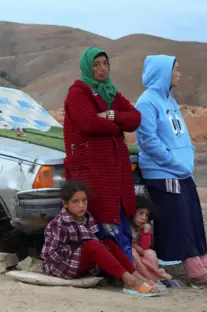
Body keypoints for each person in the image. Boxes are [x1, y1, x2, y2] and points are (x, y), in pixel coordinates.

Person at [135, 55, 207, 288]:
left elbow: (179, 135)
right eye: (176, 69)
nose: (180, 74)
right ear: (163, 72)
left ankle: (203, 269)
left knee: (193, 219)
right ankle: (197, 275)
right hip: (164, 172)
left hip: (181, 171)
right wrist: (172, 161)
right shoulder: (147, 102)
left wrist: (188, 155)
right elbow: (148, 142)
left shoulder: (170, 101)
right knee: (180, 223)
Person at [63, 47, 141, 262]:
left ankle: (126, 268)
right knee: (102, 219)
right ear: (88, 67)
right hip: (93, 170)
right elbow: (89, 123)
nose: (102, 68)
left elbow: (135, 118)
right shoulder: (78, 93)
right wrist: (118, 126)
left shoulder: (110, 92)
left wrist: (111, 115)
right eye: (96, 64)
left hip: (115, 167)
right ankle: (117, 270)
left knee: (121, 217)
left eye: (105, 63)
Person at [40, 181, 163, 296]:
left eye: (84, 200)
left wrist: (95, 247)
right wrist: (78, 249)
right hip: (61, 266)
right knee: (92, 245)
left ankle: (138, 276)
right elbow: (49, 255)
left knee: (108, 241)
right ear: (65, 204)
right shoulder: (60, 223)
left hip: (81, 264)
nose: (81, 205)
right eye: (75, 201)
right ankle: (130, 281)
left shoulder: (87, 218)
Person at [130, 195, 174, 283]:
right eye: (140, 213)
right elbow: (123, 241)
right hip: (130, 250)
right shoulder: (127, 225)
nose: (144, 218)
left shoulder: (144, 227)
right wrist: (135, 246)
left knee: (150, 253)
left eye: (146, 215)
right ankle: (150, 277)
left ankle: (151, 275)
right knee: (133, 253)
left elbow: (145, 247)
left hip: (141, 251)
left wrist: (146, 232)